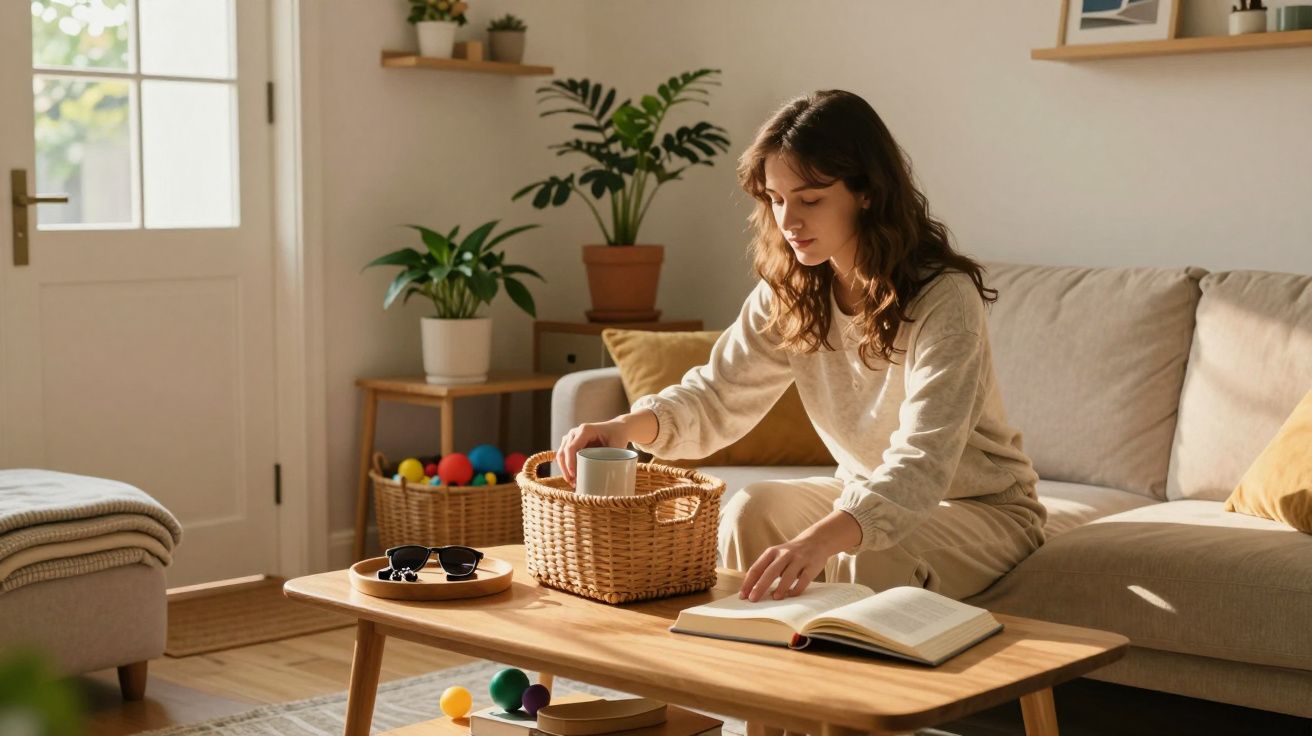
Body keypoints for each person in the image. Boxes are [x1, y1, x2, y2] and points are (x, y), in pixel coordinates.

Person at [555, 89, 1046, 605]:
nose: (789, 222)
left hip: (984, 509)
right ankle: (754, 673)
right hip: (862, 493)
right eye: (777, 198)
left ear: (868, 192)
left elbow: (922, 459)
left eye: (810, 199)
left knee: (866, 551)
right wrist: (622, 429)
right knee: (752, 509)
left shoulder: (943, 297)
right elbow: (717, 397)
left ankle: (849, 686)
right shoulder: (791, 291)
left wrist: (821, 538)